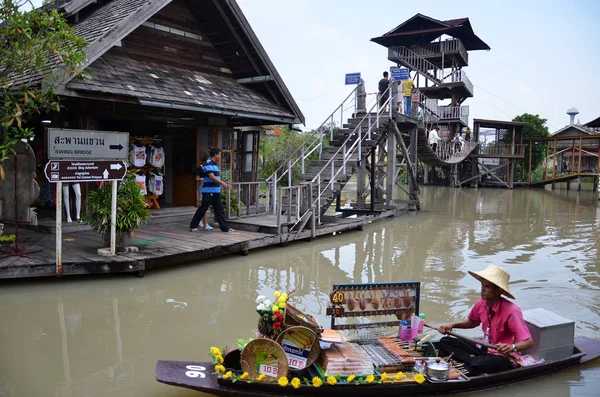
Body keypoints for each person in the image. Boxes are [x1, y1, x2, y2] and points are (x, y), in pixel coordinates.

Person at [437, 264, 534, 376]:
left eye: (487, 287)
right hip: (485, 348)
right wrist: (453, 325)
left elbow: (528, 342)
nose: (482, 290)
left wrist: (512, 347)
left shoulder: (512, 311)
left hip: (503, 356)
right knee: (445, 342)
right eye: (482, 285)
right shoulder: (481, 303)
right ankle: (471, 361)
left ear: (498, 291)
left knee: (479, 364)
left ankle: (471, 362)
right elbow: (473, 322)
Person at [189, 147, 235, 233]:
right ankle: (193, 226)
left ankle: (225, 228)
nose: (220, 156)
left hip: (216, 191)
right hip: (208, 191)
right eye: (220, 154)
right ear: (215, 155)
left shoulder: (215, 164)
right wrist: (223, 183)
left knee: (219, 209)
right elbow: (211, 176)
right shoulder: (208, 163)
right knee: (203, 209)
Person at [195, 151, 213, 231]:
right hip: (202, 187)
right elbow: (197, 178)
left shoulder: (209, 167)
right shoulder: (200, 168)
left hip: (208, 187)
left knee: (203, 205)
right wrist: (203, 179)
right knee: (203, 205)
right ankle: (205, 223)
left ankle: (201, 221)